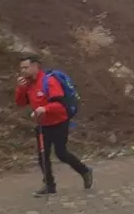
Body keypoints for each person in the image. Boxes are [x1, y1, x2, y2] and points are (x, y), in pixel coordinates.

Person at [15, 55, 93, 198]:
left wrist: (45, 109)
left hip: (59, 122)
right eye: (21, 68)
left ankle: (85, 171)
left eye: (25, 67)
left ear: (35, 66)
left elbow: (60, 104)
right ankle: (50, 186)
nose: (23, 71)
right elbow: (20, 103)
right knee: (42, 156)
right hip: (42, 124)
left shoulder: (49, 81)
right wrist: (21, 89)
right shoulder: (28, 84)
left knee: (61, 153)